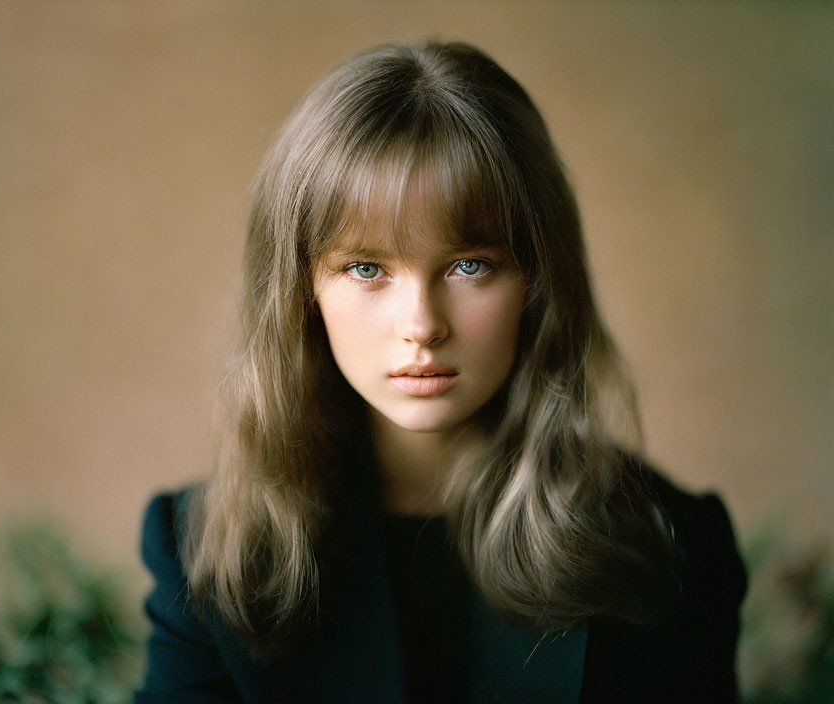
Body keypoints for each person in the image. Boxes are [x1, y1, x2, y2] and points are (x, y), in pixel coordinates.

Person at [136, 41, 746, 703]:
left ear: (538, 280)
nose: (422, 325)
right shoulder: (203, 553)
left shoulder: (672, 545)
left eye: (469, 265)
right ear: (300, 291)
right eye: (366, 269)